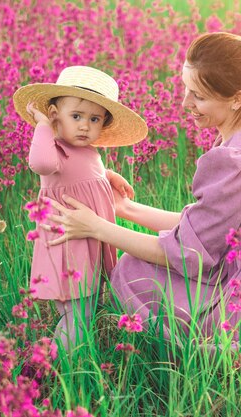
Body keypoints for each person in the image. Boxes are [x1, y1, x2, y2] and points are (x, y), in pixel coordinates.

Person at [46, 34, 241, 357]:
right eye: (186, 89)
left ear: (236, 98)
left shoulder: (235, 158)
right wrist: (125, 207)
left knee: (131, 271)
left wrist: (98, 228)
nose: (186, 103)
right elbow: (202, 226)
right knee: (139, 263)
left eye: (197, 96)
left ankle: (191, 352)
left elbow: (190, 253)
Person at [12, 66, 148, 351]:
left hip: (87, 241)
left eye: (94, 119)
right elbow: (41, 165)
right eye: (76, 116)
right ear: (54, 117)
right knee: (78, 314)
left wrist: (107, 176)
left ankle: (59, 358)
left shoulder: (86, 150)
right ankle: (52, 366)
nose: (85, 126)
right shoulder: (54, 150)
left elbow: (84, 176)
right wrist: (42, 127)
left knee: (84, 308)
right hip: (69, 245)